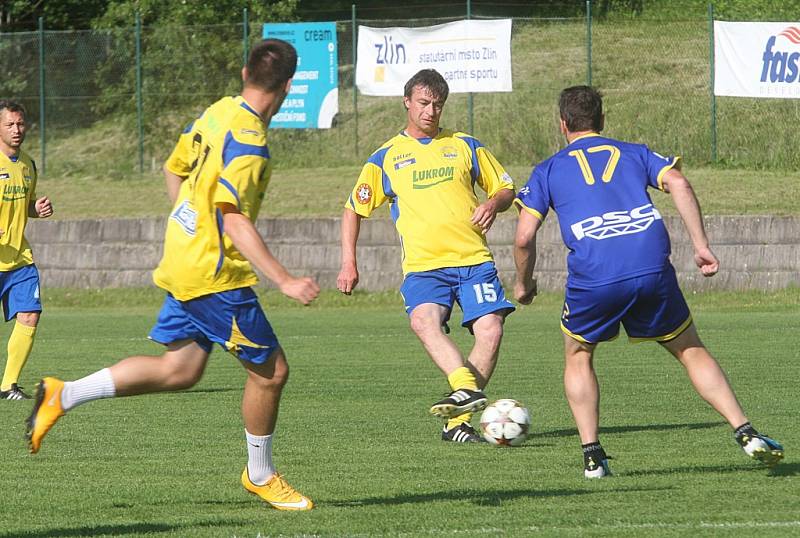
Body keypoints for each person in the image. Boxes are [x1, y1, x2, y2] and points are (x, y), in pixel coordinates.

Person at [25, 39, 320, 510]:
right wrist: (284, 279)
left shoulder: (216, 112)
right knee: (271, 373)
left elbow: (173, 167)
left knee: (179, 369)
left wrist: (186, 221)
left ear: (245, 71)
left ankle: (64, 394)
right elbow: (234, 218)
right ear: (287, 85)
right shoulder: (250, 145)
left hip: (183, 260)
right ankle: (261, 474)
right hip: (215, 277)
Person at [513, 85, 784, 477]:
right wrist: (701, 246)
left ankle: (593, 456)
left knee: (578, 354)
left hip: (596, 274)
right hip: (650, 265)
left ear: (562, 124)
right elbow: (679, 183)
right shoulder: (634, 152)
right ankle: (745, 431)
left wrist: (524, 284)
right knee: (690, 349)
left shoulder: (549, 169)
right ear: (602, 120)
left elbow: (523, 237)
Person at [337, 69, 516, 443]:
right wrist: (349, 262)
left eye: (437, 104)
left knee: (492, 330)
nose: (431, 111)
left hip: (473, 261)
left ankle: (456, 420)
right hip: (424, 267)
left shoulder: (465, 145)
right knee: (423, 322)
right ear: (407, 102)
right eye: (423, 103)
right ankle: (465, 389)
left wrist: (494, 204)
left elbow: (505, 187)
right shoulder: (386, 157)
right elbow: (354, 208)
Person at [0, 100, 53, 401]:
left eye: (20, 124)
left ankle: (9, 385)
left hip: (19, 259)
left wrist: (37, 208)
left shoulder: (28, 164)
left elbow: (24, 205)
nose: (17, 130)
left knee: (30, 315)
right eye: (10, 124)